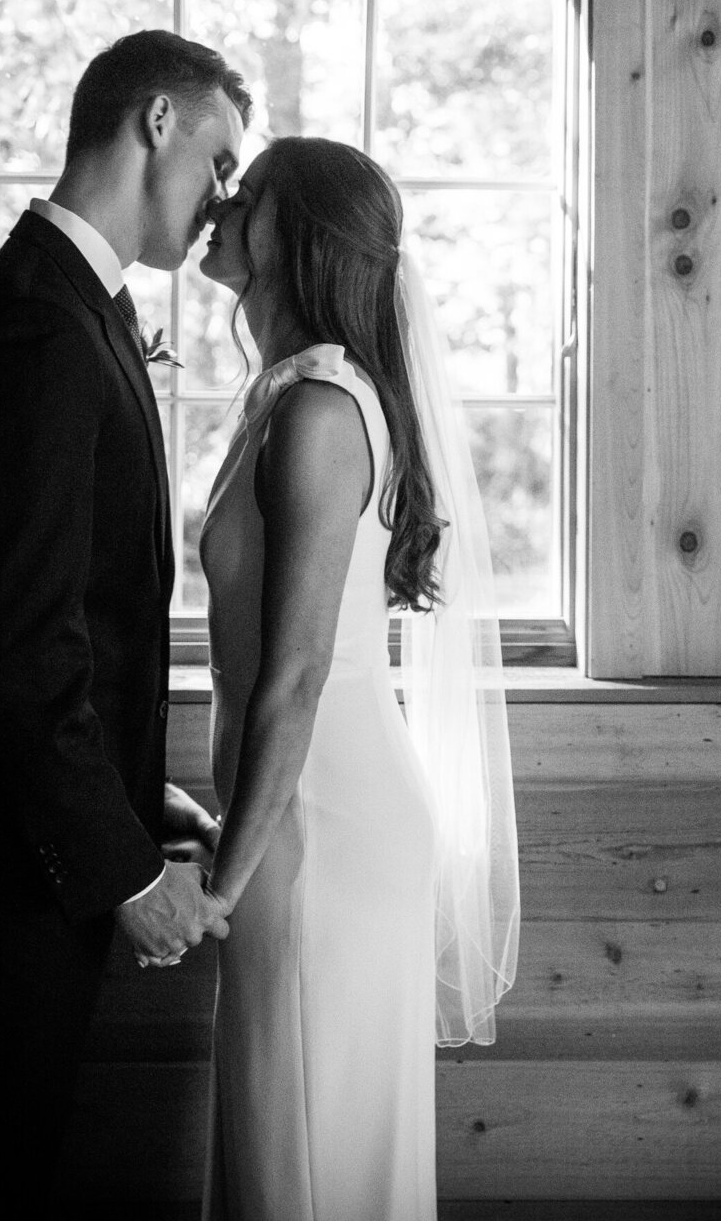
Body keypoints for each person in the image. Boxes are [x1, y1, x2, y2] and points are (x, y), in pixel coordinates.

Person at [0, 30, 249, 1218]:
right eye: (219, 159)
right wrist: (124, 871)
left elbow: (82, 617)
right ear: (154, 122)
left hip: (23, 847)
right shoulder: (36, 328)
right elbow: (19, 644)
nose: (221, 200)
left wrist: (147, 799)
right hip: (2, 867)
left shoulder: (70, 309)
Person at [194, 136, 520, 1221]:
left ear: (300, 240)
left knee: (309, 1155)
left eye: (253, 195)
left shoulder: (322, 413)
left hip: (323, 827)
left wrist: (222, 887)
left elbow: (294, 676)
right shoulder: (284, 395)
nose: (223, 202)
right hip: (282, 810)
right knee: (279, 1145)